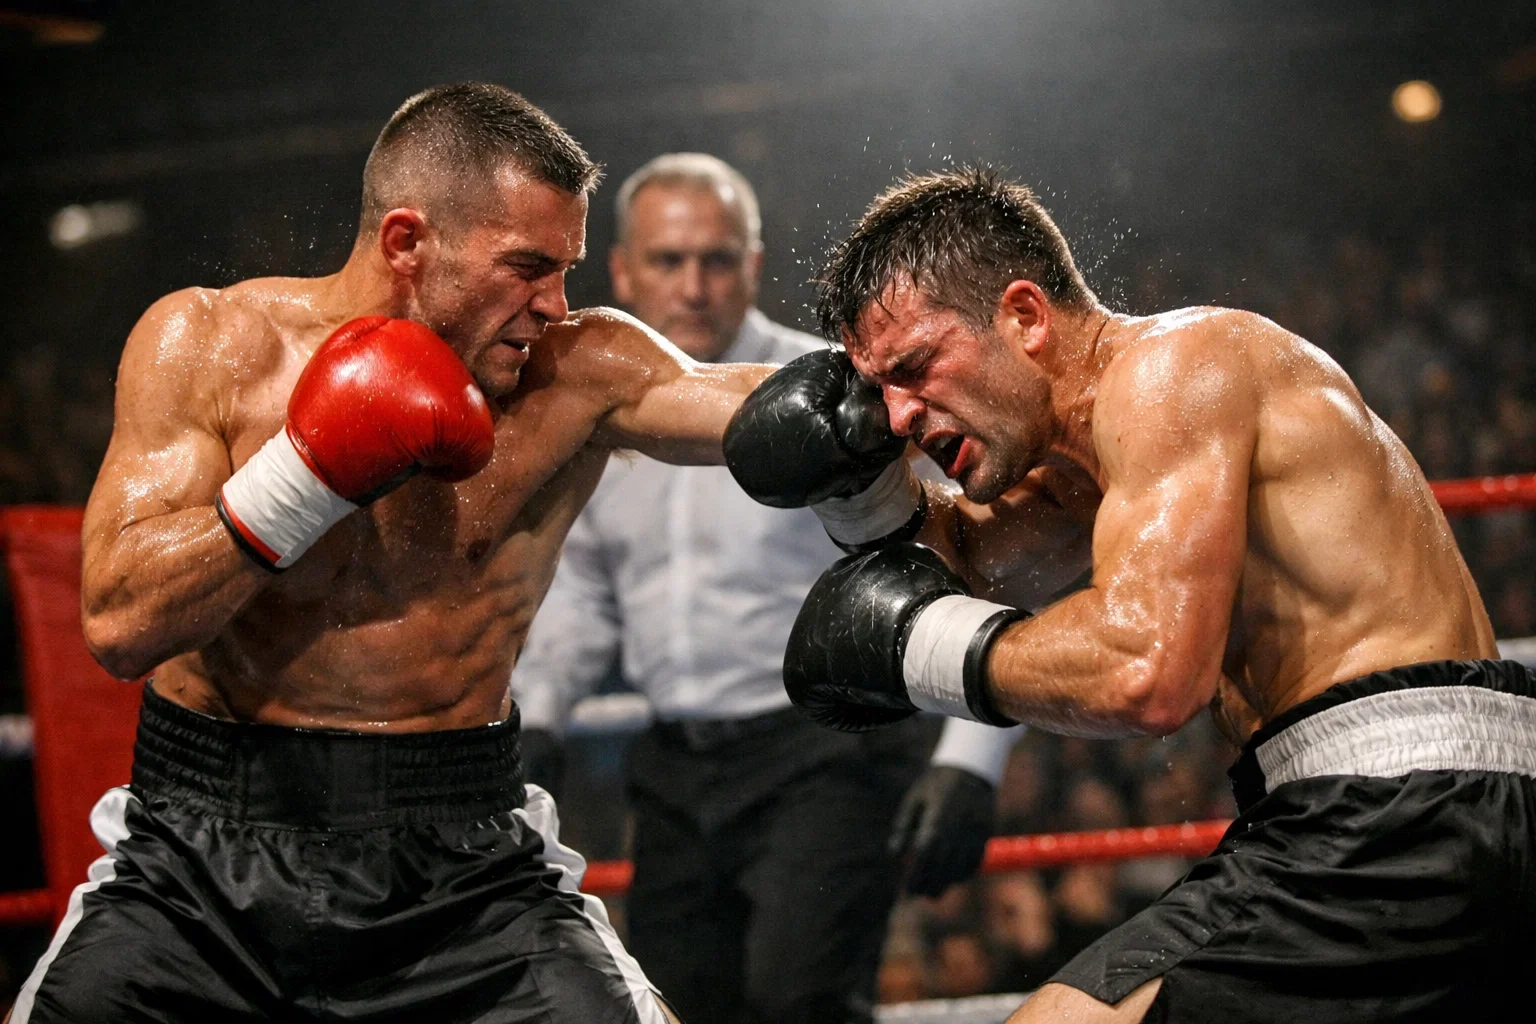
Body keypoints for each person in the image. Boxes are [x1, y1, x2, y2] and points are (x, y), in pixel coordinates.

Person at [9, 83, 782, 1024]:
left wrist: (900, 384)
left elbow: (746, 402)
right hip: (197, 864)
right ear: (408, 244)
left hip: (465, 866)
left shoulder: (578, 371)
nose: (556, 304)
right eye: (529, 268)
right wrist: (307, 475)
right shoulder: (209, 345)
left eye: (567, 268)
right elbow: (119, 621)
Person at [724, 165, 1534, 1022]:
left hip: (1397, 804)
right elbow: (949, 572)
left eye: (916, 367)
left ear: (1025, 316)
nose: (898, 418)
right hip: (1425, 803)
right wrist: (861, 493)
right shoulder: (1090, 469)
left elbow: (1146, 670)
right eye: (879, 391)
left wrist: (919, 650)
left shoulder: (1172, 370)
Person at [512, 153, 1022, 1024]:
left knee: (799, 1003)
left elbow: (968, 554)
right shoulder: (586, 410)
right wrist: (540, 719)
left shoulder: (849, 391)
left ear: (751, 265)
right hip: (675, 767)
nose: (696, 284)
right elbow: (586, 594)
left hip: (824, 757)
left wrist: (972, 758)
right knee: (673, 1007)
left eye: (717, 259)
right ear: (625, 269)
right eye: (670, 261)